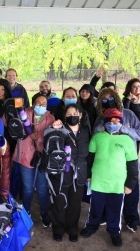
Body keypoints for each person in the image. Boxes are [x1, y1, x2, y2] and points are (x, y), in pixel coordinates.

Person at [80, 108, 138, 247]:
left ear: (121, 123)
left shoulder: (127, 140)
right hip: (98, 181)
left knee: (115, 210)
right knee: (95, 207)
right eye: (110, 121)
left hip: (117, 184)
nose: (113, 123)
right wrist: (88, 176)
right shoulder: (97, 137)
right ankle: (91, 226)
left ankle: (114, 232)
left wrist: (130, 184)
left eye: (116, 121)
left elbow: (133, 164)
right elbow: (89, 159)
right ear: (104, 123)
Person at [93, 87, 140, 232]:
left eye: (111, 99)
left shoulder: (128, 114)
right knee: (107, 192)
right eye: (104, 100)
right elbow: (94, 135)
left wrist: (123, 128)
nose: (109, 102)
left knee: (130, 192)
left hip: (128, 162)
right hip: (108, 164)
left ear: (117, 99)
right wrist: (102, 127)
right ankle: (105, 216)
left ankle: (131, 219)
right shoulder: (101, 118)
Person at [10, 94, 55, 228]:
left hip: (42, 157)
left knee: (42, 188)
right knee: (28, 188)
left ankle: (44, 213)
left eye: (44, 104)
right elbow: (12, 125)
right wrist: (12, 110)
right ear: (32, 103)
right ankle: (26, 212)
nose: (40, 106)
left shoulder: (50, 118)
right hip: (25, 157)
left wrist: (39, 135)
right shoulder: (23, 113)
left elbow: (52, 135)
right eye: (38, 103)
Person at [49, 104, 89, 243]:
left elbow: (88, 155)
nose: (72, 116)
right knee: (59, 202)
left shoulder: (85, 130)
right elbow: (47, 140)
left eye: (75, 113)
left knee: (75, 204)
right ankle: (58, 229)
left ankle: (72, 229)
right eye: (69, 114)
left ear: (80, 115)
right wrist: (52, 128)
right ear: (64, 116)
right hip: (62, 174)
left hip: (80, 173)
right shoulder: (59, 129)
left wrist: (88, 173)